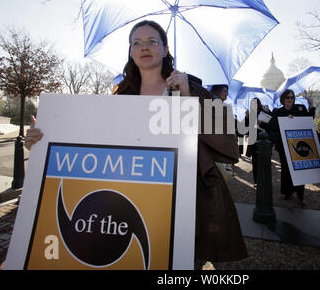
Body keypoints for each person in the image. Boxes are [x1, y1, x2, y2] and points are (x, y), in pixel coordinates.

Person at [25, 20, 247, 263]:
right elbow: (94, 141)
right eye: (137, 43)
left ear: (165, 48)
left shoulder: (187, 87)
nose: (144, 47)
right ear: (130, 51)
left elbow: (226, 138)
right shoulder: (121, 95)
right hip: (134, 195)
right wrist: (43, 141)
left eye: (152, 41)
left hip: (186, 197)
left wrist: (187, 97)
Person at [269, 89, 315, 206]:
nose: (290, 100)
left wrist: (311, 107)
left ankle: (300, 194)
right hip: (284, 146)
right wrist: (285, 122)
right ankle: (287, 192)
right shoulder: (278, 112)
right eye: (287, 97)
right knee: (286, 169)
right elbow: (273, 127)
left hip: (299, 145)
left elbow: (309, 121)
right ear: (283, 99)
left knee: (299, 170)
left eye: (292, 97)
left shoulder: (300, 109)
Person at [244, 98, 273, 186]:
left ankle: (265, 180)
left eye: (256, 104)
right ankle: (257, 181)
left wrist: (261, 123)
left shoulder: (264, 113)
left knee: (265, 161)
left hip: (264, 141)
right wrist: (247, 117)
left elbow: (270, 127)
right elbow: (245, 129)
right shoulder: (250, 114)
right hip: (253, 141)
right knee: (255, 162)